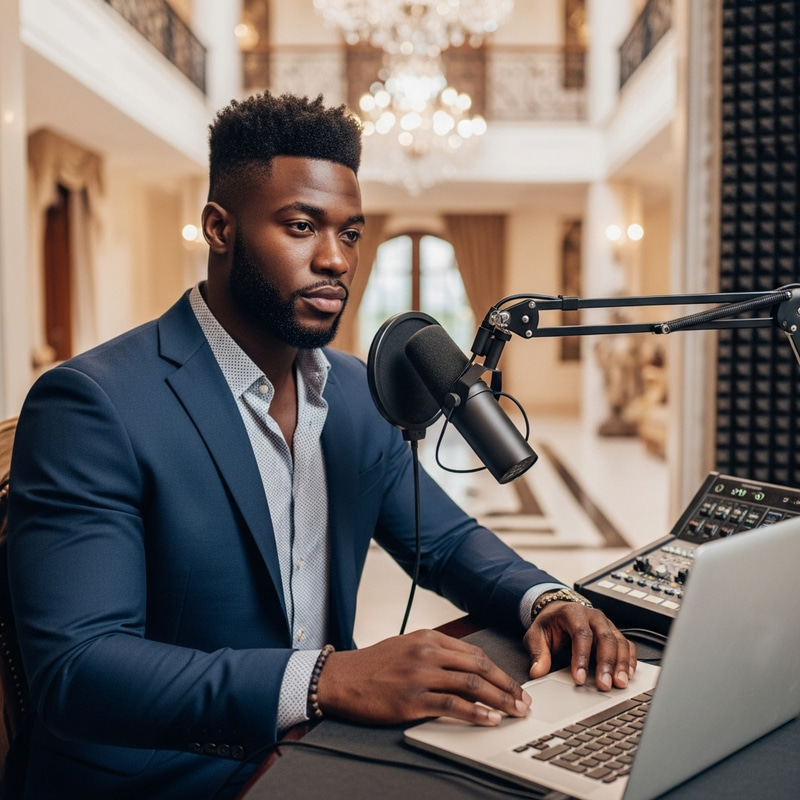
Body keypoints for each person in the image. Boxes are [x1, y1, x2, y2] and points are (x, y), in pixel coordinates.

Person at [7, 92, 636, 799]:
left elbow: (449, 544)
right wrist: (324, 678)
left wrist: (546, 600)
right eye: (302, 226)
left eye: (352, 233)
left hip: (318, 754)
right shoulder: (92, 404)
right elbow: (79, 669)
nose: (337, 259)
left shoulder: (354, 391)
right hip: (160, 776)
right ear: (220, 228)